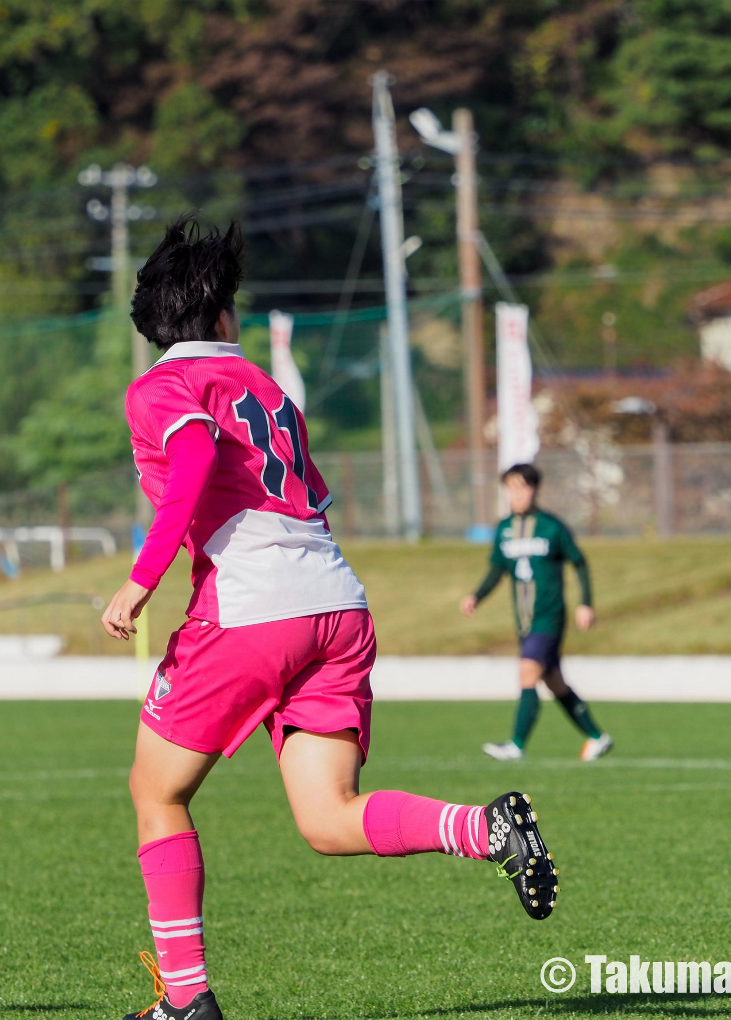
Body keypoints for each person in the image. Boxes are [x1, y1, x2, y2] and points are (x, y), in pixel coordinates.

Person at [101, 217, 559, 1020]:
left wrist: (142, 580)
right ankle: (486, 831)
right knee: (326, 819)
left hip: (250, 609)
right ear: (221, 316)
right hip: (336, 603)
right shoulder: (268, 389)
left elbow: (198, 460)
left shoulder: (161, 388)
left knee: (155, 792)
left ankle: (184, 1002)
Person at [460, 463, 613, 762]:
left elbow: (579, 562)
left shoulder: (551, 527)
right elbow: (497, 570)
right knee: (554, 681)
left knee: (528, 670)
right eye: (511, 488)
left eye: (523, 487)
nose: (517, 494)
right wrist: (476, 596)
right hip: (524, 621)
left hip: (549, 615)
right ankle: (597, 737)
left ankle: (516, 744)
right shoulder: (504, 529)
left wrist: (586, 603)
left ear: (534, 490)